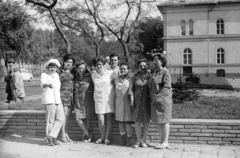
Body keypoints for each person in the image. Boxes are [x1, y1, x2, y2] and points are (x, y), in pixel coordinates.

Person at [150, 54, 172, 149]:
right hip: (155, 100)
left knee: (165, 121)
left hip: (163, 100)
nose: (155, 62)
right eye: (154, 60)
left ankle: (166, 141)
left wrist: (158, 96)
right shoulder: (155, 72)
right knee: (158, 121)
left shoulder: (165, 72)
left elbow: (167, 86)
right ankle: (161, 140)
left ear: (162, 61)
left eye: (157, 60)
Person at [91, 55, 115, 145]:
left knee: (108, 119)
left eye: (100, 64)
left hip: (109, 98)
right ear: (95, 65)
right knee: (100, 119)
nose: (99, 66)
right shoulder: (93, 74)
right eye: (97, 64)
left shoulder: (110, 73)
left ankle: (106, 138)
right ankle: (102, 136)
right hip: (98, 99)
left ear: (104, 64)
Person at [40, 59, 65, 146]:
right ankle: (51, 140)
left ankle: (51, 135)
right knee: (50, 120)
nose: (53, 69)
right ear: (48, 67)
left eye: (54, 67)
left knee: (61, 118)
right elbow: (42, 84)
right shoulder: (44, 75)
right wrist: (48, 85)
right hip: (49, 99)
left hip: (57, 99)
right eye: (51, 67)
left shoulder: (57, 75)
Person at [129, 59, 151, 148]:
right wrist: (131, 99)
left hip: (146, 102)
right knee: (137, 122)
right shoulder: (135, 77)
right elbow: (131, 88)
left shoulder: (150, 76)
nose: (142, 67)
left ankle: (144, 140)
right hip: (137, 102)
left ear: (147, 66)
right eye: (140, 66)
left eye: (144, 65)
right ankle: (138, 140)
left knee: (146, 122)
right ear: (138, 67)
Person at [74, 60, 95, 143]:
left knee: (87, 118)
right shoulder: (74, 77)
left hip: (88, 99)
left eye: (82, 68)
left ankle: (85, 134)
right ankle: (87, 132)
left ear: (85, 68)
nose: (81, 70)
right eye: (79, 68)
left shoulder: (90, 76)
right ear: (76, 69)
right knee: (77, 117)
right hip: (78, 100)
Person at [114, 62, 133, 146]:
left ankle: (129, 139)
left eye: (124, 69)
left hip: (128, 103)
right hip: (118, 104)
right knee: (120, 122)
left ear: (128, 70)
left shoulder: (131, 79)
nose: (122, 70)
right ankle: (123, 139)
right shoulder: (116, 79)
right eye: (121, 69)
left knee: (128, 122)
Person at [59, 54, 75, 142]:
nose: (69, 63)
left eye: (71, 62)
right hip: (62, 96)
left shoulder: (73, 71)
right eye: (67, 62)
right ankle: (62, 135)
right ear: (64, 62)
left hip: (71, 96)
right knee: (64, 116)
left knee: (68, 116)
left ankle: (66, 133)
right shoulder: (59, 71)